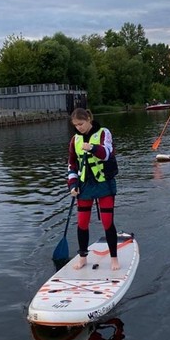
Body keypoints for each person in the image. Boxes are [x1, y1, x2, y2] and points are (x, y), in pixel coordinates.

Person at [67, 107, 119, 270]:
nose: (78, 128)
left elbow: (107, 153)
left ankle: (114, 258)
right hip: (84, 185)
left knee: (107, 222)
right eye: (75, 125)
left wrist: (92, 148)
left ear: (88, 119)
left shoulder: (104, 133)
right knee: (82, 223)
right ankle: (83, 257)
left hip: (103, 183)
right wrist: (73, 184)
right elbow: (71, 164)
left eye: (81, 124)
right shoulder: (75, 140)